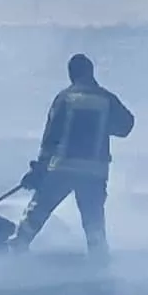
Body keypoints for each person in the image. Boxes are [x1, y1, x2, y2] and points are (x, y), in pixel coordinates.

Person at [13, 53, 136, 256]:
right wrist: (102, 125)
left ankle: (17, 247)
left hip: (63, 167)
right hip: (94, 172)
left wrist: (39, 170)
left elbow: (51, 137)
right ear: (91, 72)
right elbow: (126, 126)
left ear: (72, 74)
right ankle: (99, 261)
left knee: (39, 209)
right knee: (94, 222)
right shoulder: (107, 99)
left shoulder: (65, 98)